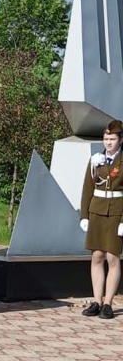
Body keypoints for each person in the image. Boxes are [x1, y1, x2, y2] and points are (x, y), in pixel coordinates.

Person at [79, 120, 123, 320]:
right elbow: (88, 187)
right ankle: (96, 301)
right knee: (96, 256)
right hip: (96, 211)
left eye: (112, 139)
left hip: (116, 213)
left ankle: (108, 304)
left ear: (120, 139)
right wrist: (84, 215)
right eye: (106, 138)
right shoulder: (97, 159)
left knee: (112, 257)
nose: (108, 142)